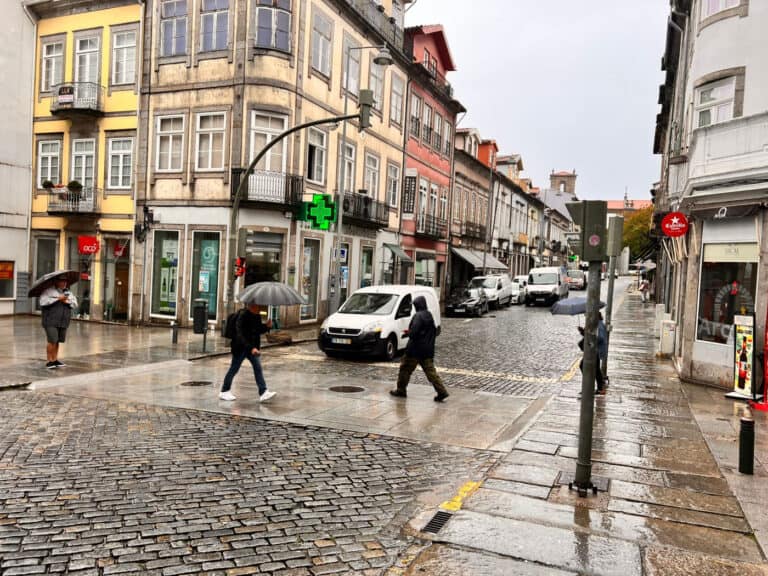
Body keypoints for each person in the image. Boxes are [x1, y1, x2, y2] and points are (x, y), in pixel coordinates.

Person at [390, 295, 449, 402]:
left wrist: (409, 332)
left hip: (414, 350)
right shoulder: (429, 315)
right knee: (431, 372)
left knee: (405, 369)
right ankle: (442, 391)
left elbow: (413, 333)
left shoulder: (418, 316)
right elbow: (431, 331)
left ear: (417, 305)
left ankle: (401, 390)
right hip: (427, 350)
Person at [220, 303, 276, 402]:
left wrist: (267, 326)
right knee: (234, 369)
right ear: (251, 306)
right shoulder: (243, 316)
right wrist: (251, 348)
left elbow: (257, 330)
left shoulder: (257, 316)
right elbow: (240, 335)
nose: (259, 308)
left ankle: (263, 392)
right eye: (258, 306)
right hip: (241, 348)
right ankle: (224, 391)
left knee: (258, 368)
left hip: (252, 349)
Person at [39, 277, 78, 369]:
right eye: (62, 281)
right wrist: (57, 299)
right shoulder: (48, 291)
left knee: (57, 341)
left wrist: (66, 301)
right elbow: (42, 302)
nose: (64, 283)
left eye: (65, 281)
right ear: (56, 282)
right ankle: (49, 361)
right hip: (50, 320)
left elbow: (75, 304)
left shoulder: (68, 292)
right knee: (52, 340)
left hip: (63, 320)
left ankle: (55, 359)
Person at [578, 312, 607, 395]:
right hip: (594, 350)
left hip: (595, 350)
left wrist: (591, 341)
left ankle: (591, 387)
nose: (586, 317)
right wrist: (583, 332)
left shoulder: (598, 325)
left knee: (584, 366)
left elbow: (599, 337)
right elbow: (591, 335)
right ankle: (600, 387)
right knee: (595, 369)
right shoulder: (596, 324)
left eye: (587, 315)